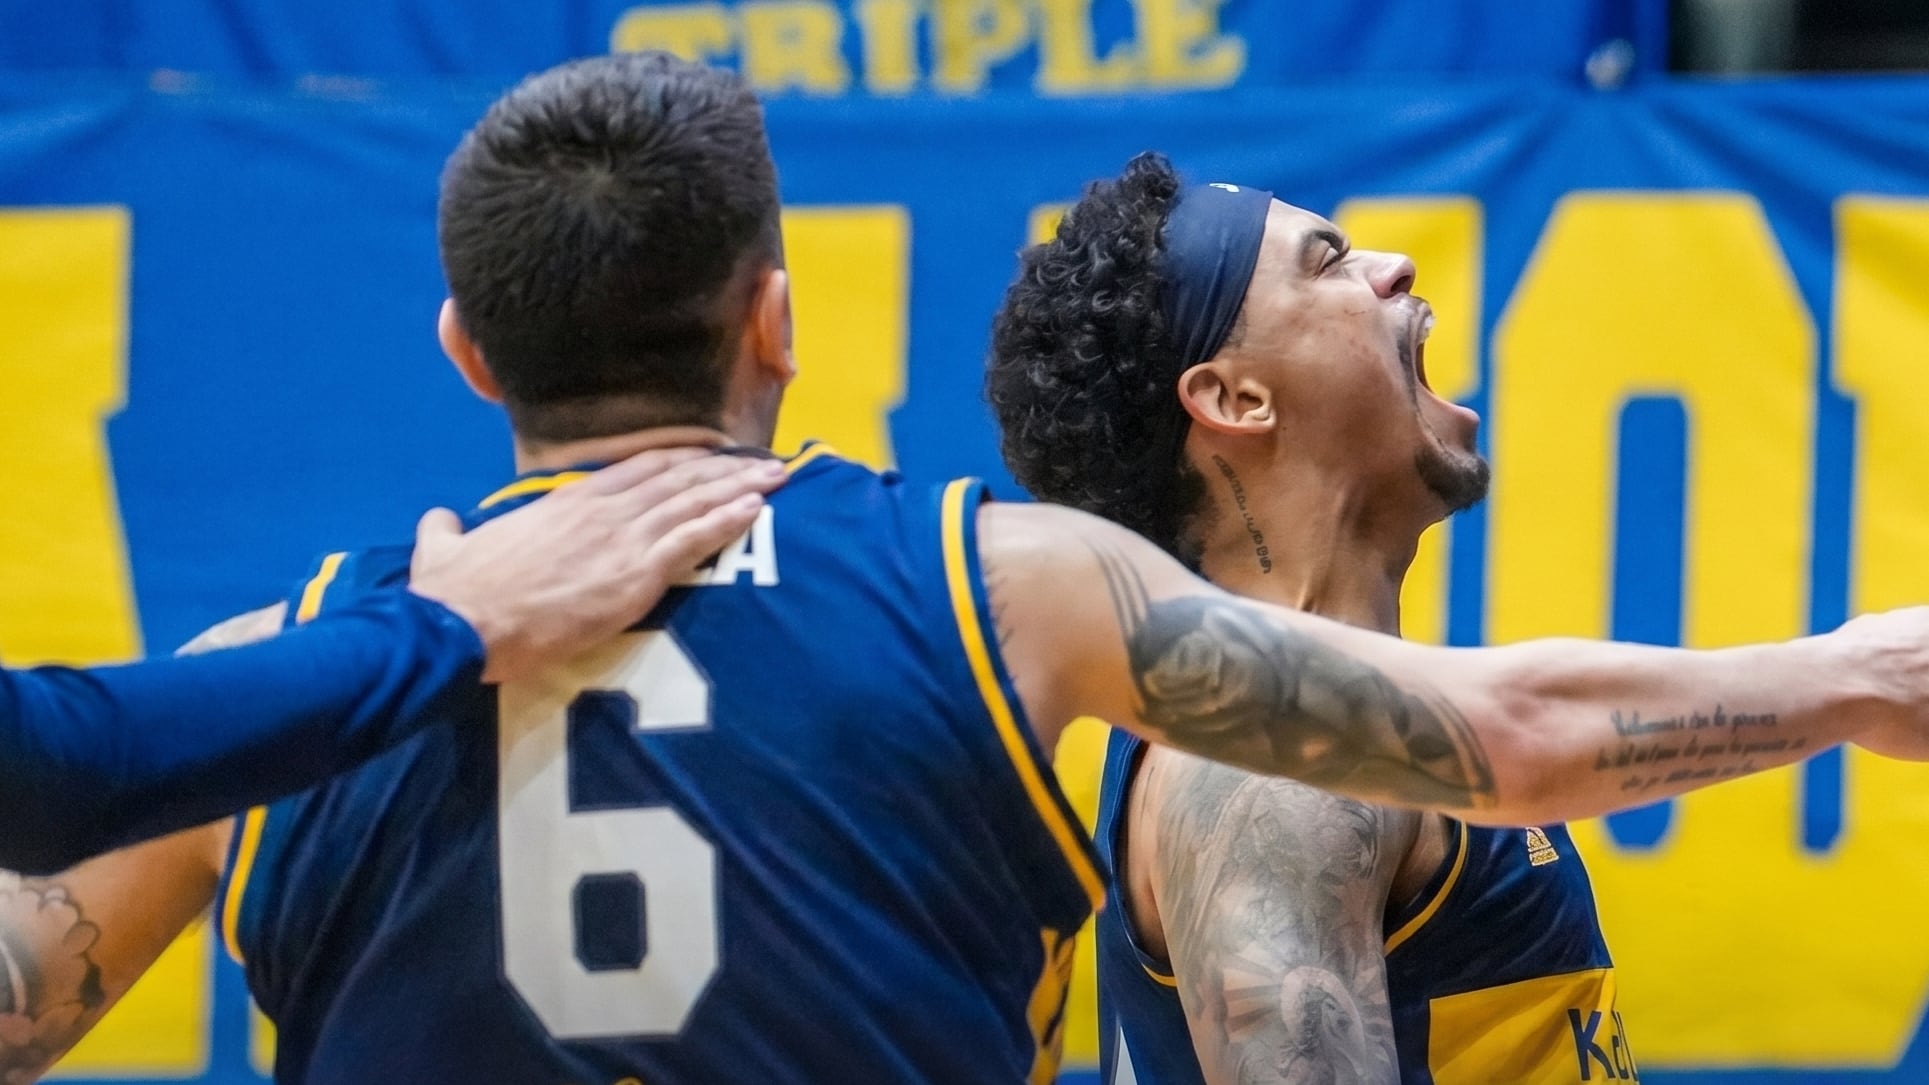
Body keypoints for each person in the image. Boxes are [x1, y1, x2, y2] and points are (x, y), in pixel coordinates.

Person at [4, 53, 1928, 1084]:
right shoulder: (993, 589)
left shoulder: (277, 674)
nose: (1395, 274)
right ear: (774, 323)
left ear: (468, 353)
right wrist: (1853, 676)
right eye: (1332, 256)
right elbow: (1503, 737)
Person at [986, 153, 1630, 1085]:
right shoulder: (1278, 761)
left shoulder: (1286, 712)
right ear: (1235, 399)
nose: (1395, 266)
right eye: (1325, 263)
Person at [0, 446, 781, 875]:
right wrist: (442, 626)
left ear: (465, 345)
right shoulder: (900, 568)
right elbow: (52, 769)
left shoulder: (288, 635)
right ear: (771, 324)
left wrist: (436, 627)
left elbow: (53, 767)